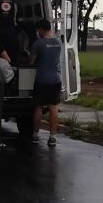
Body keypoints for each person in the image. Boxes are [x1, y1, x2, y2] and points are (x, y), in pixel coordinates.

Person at [29, 19, 62, 147]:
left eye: (38, 30)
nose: (37, 32)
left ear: (41, 29)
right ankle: (53, 137)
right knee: (53, 108)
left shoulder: (38, 43)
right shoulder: (57, 43)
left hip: (42, 79)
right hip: (56, 79)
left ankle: (35, 136)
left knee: (38, 107)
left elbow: (31, 62)